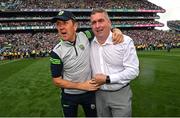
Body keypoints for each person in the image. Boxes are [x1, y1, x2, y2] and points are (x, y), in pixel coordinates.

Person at [50, 10, 123, 117]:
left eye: (65, 23)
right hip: (69, 96)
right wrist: (81, 86)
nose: (61, 27)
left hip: (89, 93)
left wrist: (117, 30)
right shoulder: (56, 52)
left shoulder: (85, 35)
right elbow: (56, 81)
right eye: (58, 24)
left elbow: (102, 29)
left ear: (75, 26)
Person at [90, 8, 139, 117]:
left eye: (101, 20)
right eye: (94, 22)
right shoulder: (89, 43)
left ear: (109, 22)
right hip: (99, 95)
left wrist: (107, 79)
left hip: (120, 94)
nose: (97, 25)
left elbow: (133, 71)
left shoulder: (125, 41)